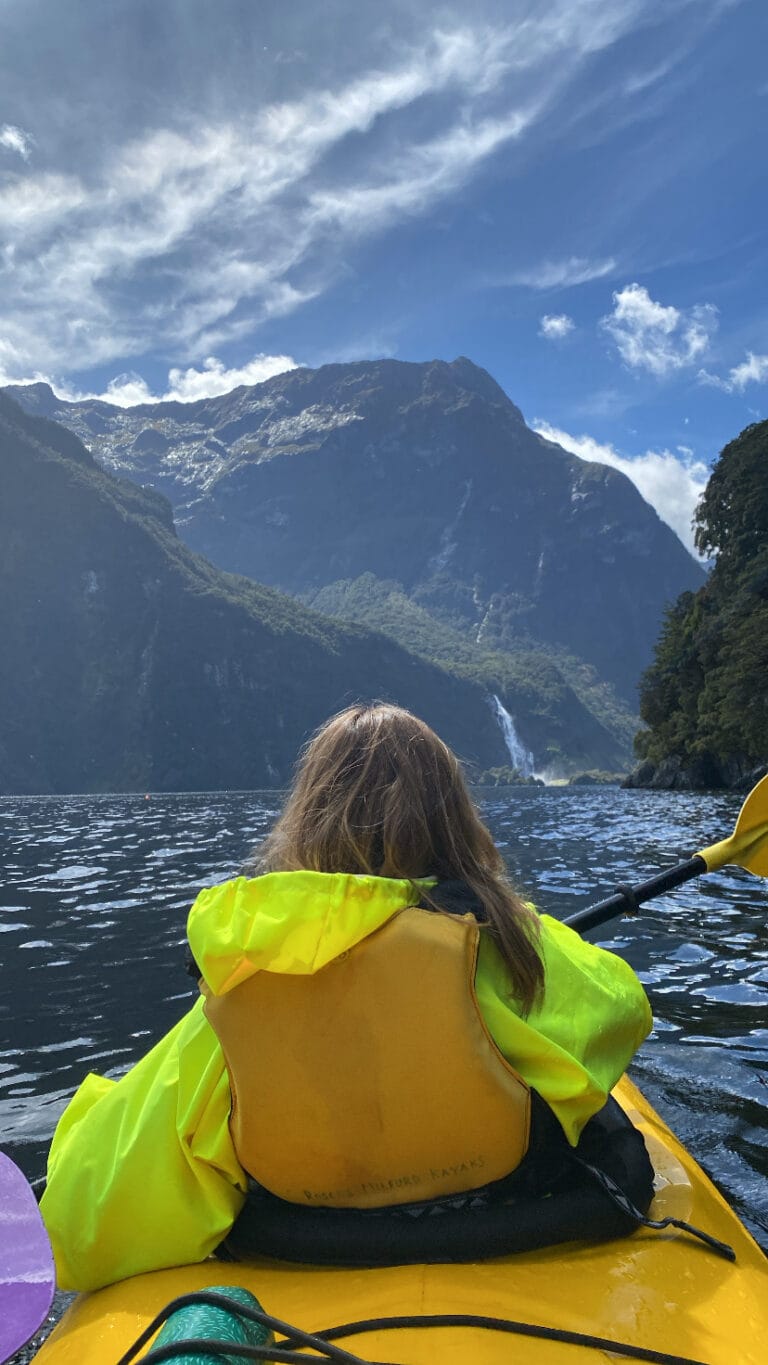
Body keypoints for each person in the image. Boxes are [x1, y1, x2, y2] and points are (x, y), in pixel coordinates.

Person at [40, 703, 653, 1292]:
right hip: (510, 1199)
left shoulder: (245, 984)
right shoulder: (514, 943)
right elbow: (625, 1009)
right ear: (456, 820)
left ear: (307, 818)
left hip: (308, 1226)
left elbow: (82, 1212)